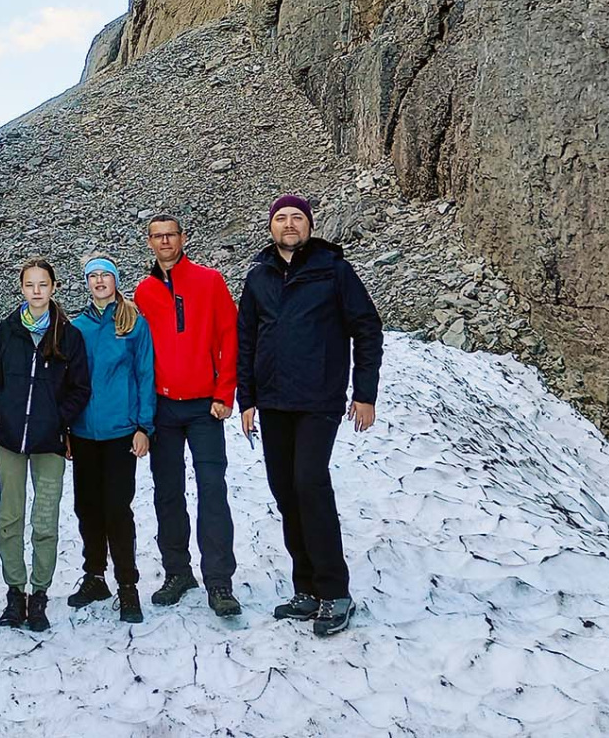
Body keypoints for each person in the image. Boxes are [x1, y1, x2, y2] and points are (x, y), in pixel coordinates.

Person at [238, 194, 384, 637]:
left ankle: (335, 591)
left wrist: (365, 394)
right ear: (271, 227)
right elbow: (247, 339)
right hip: (274, 402)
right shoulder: (259, 276)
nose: (288, 224)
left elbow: (367, 328)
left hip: (319, 400)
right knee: (285, 490)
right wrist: (247, 399)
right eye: (280, 218)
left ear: (309, 224)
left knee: (309, 483)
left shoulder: (334, 270)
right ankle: (306, 589)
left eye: (296, 218)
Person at [134, 215, 241, 616]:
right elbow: (140, 352)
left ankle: (219, 581)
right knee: (167, 491)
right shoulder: (143, 291)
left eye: (171, 235)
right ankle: (177, 571)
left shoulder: (209, 281)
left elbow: (229, 336)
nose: (165, 241)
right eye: (157, 236)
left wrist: (224, 391)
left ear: (183, 238)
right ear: (150, 243)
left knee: (213, 488)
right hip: (162, 406)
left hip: (204, 405)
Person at [0, 256, 91, 633]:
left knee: (45, 521)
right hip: (10, 440)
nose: (36, 291)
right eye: (30, 284)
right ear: (22, 288)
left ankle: (40, 594)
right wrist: (4, 414)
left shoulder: (68, 335)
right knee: (9, 519)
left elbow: (80, 388)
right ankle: (15, 591)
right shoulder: (8, 330)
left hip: (49, 442)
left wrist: (57, 420)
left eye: (43, 284)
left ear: (54, 288)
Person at [67, 255, 156, 624]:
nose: (100, 281)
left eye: (106, 275)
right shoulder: (78, 326)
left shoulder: (133, 323)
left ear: (116, 280)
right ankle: (95, 576)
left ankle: (127, 585)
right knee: (87, 507)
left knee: (118, 509)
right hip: (84, 432)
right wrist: (67, 428)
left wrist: (143, 427)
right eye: (93, 276)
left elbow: (145, 374)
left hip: (121, 431)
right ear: (86, 282)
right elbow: (69, 381)